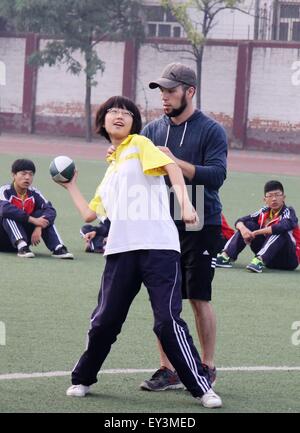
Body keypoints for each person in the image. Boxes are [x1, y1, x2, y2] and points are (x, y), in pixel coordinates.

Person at [60, 95, 222, 408]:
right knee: (105, 320)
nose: (118, 115)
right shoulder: (110, 171)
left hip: (160, 247)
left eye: (125, 112)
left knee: (166, 321)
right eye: (112, 111)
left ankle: (202, 388)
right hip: (121, 250)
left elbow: (172, 167)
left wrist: (187, 205)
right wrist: (70, 186)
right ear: (103, 122)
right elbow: (90, 215)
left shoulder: (139, 144)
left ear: (134, 122)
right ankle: (82, 378)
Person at [138, 63, 228, 391]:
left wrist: (174, 161)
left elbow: (216, 176)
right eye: (161, 91)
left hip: (200, 219)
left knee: (198, 296)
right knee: (164, 297)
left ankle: (207, 365)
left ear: (189, 92)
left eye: (170, 91)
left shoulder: (211, 130)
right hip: (160, 220)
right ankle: (168, 369)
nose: (164, 97)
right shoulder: (151, 130)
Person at [216, 180, 300, 273]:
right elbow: (240, 221)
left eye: (277, 195)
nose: (274, 199)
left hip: (288, 260)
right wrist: (244, 230)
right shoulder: (263, 211)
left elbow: (281, 227)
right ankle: (225, 256)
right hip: (270, 259)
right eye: (270, 196)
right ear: (265, 200)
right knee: (248, 225)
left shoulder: (289, 212)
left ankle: (259, 260)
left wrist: (256, 233)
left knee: (280, 231)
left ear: (283, 197)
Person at [0, 158, 73, 259]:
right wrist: (33, 220)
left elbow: (50, 210)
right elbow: (4, 209)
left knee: (42, 214)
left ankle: (58, 248)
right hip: (3, 238)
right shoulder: (4, 191)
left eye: (30, 174)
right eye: (23, 174)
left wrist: (39, 226)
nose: (27, 177)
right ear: (13, 175)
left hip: (25, 237)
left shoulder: (35, 193)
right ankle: (22, 247)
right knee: (8, 214)